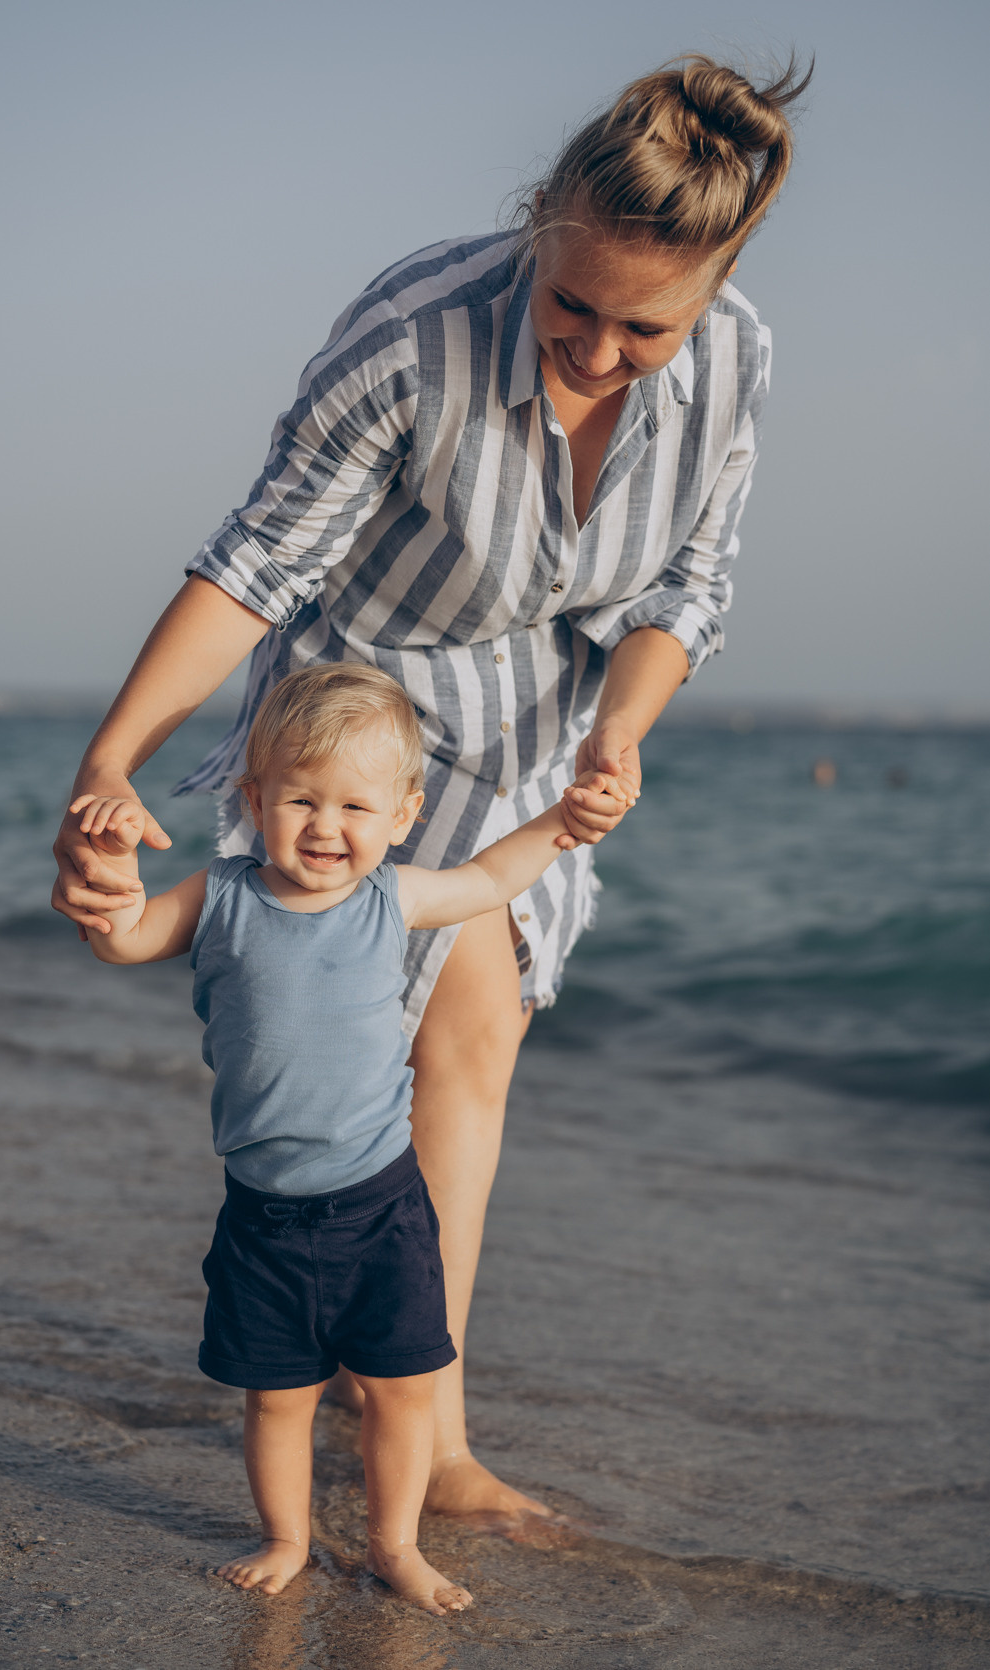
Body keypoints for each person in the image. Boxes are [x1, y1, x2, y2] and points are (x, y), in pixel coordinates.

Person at [51, 53, 810, 1523]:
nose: (594, 349)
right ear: (539, 225)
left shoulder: (733, 360)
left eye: (641, 327)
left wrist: (624, 730)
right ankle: (394, 1395)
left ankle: (411, 1403)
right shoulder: (411, 338)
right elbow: (258, 561)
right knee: (399, 1039)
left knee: (473, 1038)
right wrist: (111, 756)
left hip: (540, 714)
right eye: (570, 303)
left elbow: (691, 581)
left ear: (713, 291)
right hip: (368, 707)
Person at [72, 664, 630, 1612]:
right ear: (252, 800)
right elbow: (125, 936)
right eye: (299, 799)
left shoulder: (393, 900)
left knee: (404, 1388)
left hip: (380, 1206)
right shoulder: (222, 897)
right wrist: (112, 877)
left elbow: (492, 876)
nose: (326, 827)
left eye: (355, 807)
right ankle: (286, 1536)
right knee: (277, 1397)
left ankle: (394, 1546)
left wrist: (563, 824)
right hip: (264, 1215)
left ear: (404, 813)